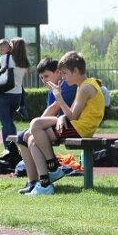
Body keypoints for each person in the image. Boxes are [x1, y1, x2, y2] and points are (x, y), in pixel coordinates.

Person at [18, 51, 105, 196]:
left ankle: (52, 170)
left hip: (80, 129)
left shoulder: (85, 87)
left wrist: (58, 96)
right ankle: (45, 182)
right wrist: (61, 117)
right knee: (33, 137)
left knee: (35, 126)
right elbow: (71, 113)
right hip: (76, 125)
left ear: (76, 71)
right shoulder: (83, 85)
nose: (63, 77)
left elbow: (72, 115)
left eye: (65, 73)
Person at [15, 56, 77, 193]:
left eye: (46, 76)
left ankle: (48, 175)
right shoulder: (52, 89)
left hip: (67, 124)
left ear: (58, 72)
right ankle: (33, 181)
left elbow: (55, 108)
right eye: (41, 78)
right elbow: (50, 112)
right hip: (55, 124)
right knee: (22, 138)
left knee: (31, 138)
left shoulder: (66, 85)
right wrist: (32, 128)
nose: (44, 80)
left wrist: (33, 128)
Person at [0, 37, 30, 159]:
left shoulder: (5, 58)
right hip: (17, 94)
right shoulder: (24, 62)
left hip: (5, 92)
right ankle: (14, 146)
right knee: (10, 120)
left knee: (5, 122)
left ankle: (8, 149)